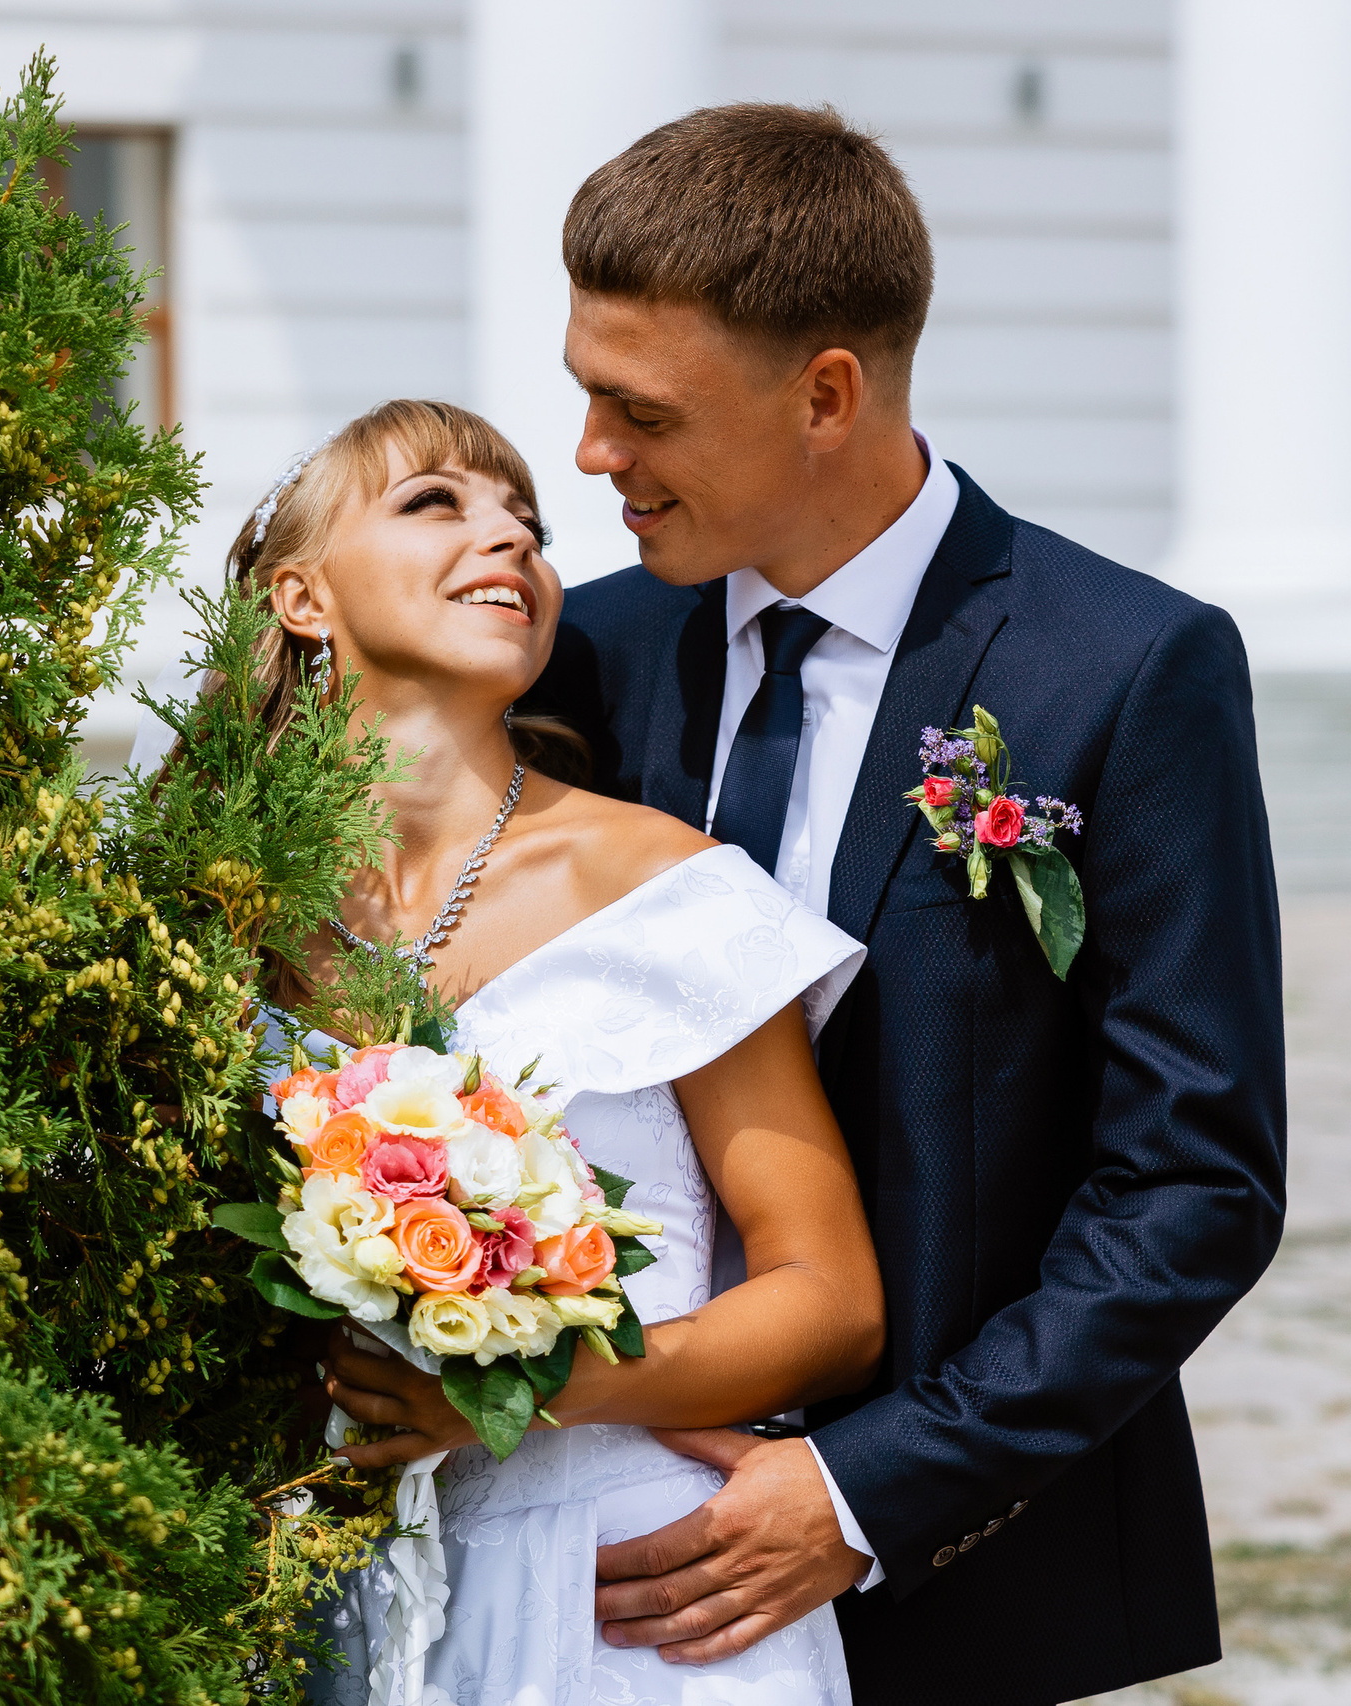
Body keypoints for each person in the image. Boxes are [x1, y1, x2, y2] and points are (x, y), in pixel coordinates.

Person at [520, 105, 1289, 1705]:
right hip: (603, 1579)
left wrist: (869, 1489)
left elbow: (1191, 1183)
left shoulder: (1125, 670)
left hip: (976, 1582)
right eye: (588, 394)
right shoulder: (575, 656)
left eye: (637, 408)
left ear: (826, 394)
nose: (591, 454)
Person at [223, 398, 882, 1705]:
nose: (508, 538)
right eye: (437, 504)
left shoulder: (668, 887)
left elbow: (833, 1298)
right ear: (301, 593)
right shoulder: (216, 927)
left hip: (629, 1596)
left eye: (527, 522)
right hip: (323, 1594)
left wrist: (539, 1386)